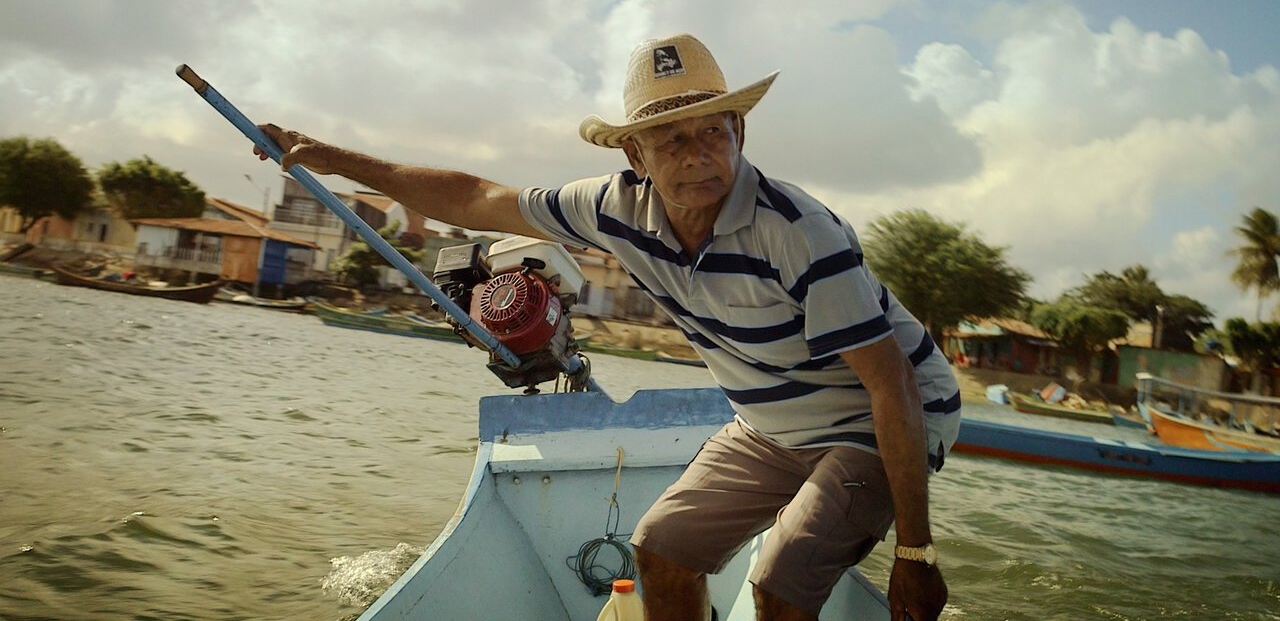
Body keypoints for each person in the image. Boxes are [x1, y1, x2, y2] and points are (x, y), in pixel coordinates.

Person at [255, 33, 961, 621]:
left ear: (739, 132)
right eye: (669, 139)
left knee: (781, 579)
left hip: (881, 417)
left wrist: (916, 552)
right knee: (661, 549)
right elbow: (476, 196)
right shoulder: (611, 209)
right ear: (635, 157)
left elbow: (891, 382)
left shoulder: (798, 230)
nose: (696, 154)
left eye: (712, 132)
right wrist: (329, 156)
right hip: (772, 424)